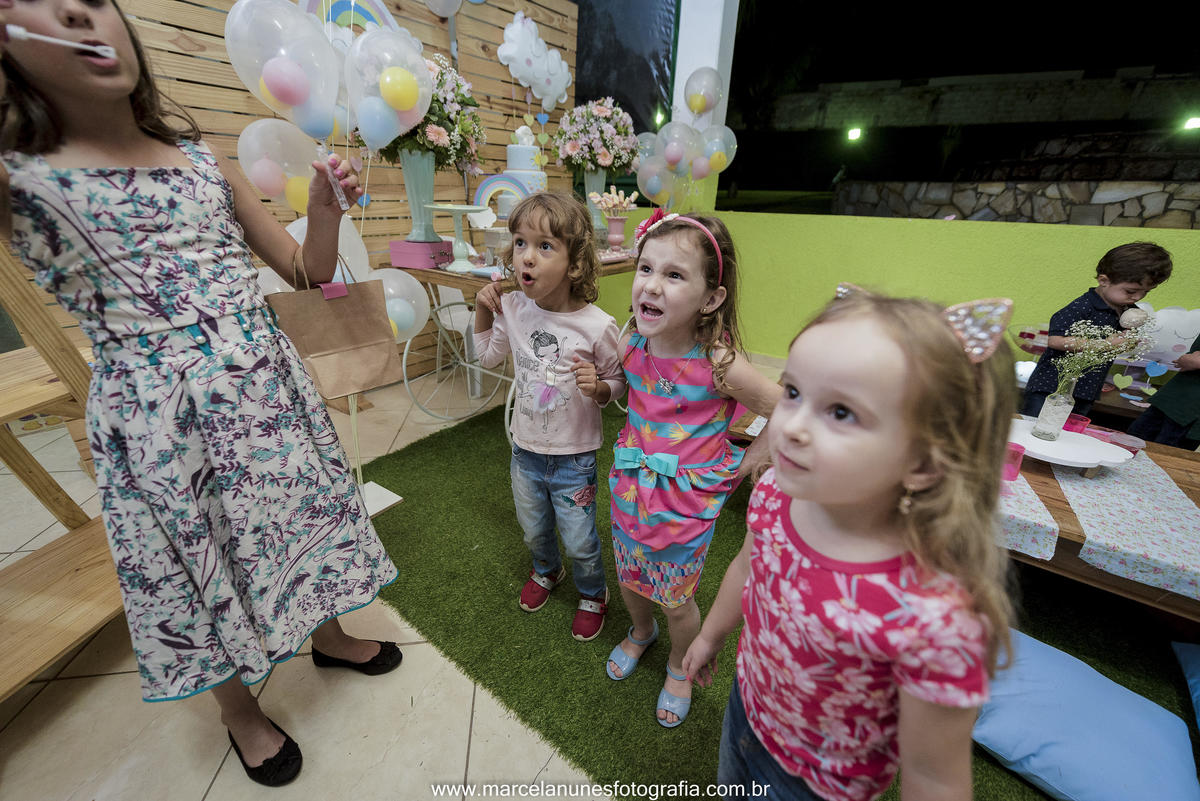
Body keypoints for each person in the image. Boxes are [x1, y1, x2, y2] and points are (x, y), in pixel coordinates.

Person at [0, 0, 401, 787]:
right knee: (189, 561)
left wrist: (322, 211)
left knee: (300, 517)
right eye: (49, 10)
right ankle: (240, 712)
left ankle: (329, 632)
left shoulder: (194, 156)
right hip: (158, 414)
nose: (82, 23)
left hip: (264, 383)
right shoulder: (22, 177)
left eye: (92, 7)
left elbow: (307, 272)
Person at [681, 286, 1018, 800]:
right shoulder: (773, 495)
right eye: (793, 392)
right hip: (745, 710)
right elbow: (748, 569)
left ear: (925, 462)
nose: (791, 426)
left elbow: (933, 774)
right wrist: (709, 635)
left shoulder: (934, 617)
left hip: (820, 786)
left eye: (840, 412)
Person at [597, 209, 780, 728]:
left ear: (710, 298)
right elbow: (631, 396)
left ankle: (679, 663)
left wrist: (749, 463)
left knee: (676, 599)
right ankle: (639, 632)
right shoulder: (631, 342)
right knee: (631, 577)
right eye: (646, 268)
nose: (651, 285)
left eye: (674, 275)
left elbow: (786, 406)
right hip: (630, 488)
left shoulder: (719, 364)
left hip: (685, 505)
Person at [473, 192, 624, 642]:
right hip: (525, 451)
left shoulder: (598, 326)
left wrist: (598, 387)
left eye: (544, 246)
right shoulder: (514, 308)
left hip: (574, 458)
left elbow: (619, 384)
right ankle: (546, 570)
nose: (528, 258)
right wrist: (483, 308)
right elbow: (486, 356)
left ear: (575, 263)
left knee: (579, 538)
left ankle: (593, 593)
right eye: (520, 243)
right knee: (534, 528)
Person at [1022, 242, 1172, 417]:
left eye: (1146, 292)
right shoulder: (1082, 306)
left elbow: (1117, 343)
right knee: (1035, 428)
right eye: (1131, 291)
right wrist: (1106, 343)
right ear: (1104, 281)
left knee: (1069, 434)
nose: (1137, 297)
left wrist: (1126, 343)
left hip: (1087, 389)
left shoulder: (1126, 309)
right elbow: (1055, 341)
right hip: (1051, 386)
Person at [1128, 332, 1200, 450]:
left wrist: (1194, 361)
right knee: (1131, 445)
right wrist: (1188, 359)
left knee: (1161, 457)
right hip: (1171, 398)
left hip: (1189, 412)